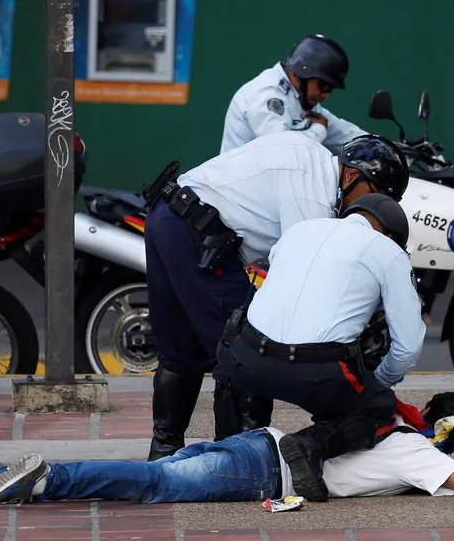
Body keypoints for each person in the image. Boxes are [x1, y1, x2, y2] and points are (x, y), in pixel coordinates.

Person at [142, 132, 409, 462]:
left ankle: (163, 454)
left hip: (166, 216)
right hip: (198, 237)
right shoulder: (313, 197)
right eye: (378, 194)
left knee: (179, 354)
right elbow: (309, 275)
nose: (373, 208)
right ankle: (237, 460)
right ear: (353, 175)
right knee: (248, 347)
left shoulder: (308, 154)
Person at [213, 192, 425, 504]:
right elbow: (406, 349)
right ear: (391, 235)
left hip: (248, 358)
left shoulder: (300, 230)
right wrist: (377, 384)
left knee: (236, 360)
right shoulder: (389, 252)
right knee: (378, 407)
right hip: (316, 372)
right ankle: (309, 446)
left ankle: (226, 456)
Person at [0, 392, 454, 508]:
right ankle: (43, 479)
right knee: (155, 485)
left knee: (155, 473)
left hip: (261, 442)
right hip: (264, 473)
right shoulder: (420, 455)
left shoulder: (385, 418)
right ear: (449, 440)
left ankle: (40, 476)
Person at [220, 35, 368, 155]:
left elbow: (342, 132)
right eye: (324, 86)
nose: (326, 95)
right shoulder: (267, 94)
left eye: (331, 89)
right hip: (236, 190)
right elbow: (283, 154)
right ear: (299, 75)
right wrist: (318, 130)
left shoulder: (300, 97)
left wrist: (380, 146)